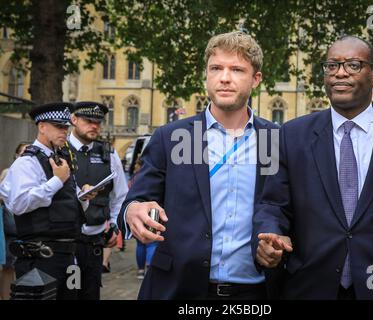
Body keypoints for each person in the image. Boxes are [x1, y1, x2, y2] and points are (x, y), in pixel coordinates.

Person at [253, 35, 373, 300]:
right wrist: (270, 235)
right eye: (332, 66)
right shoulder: (291, 135)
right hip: (309, 288)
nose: (340, 73)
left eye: (353, 65)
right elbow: (273, 205)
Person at [118, 31, 280, 299]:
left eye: (237, 70)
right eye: (216, 68)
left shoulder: (275, 140)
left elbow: (284, 208)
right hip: (178, 289)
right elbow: (135, 200)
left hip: (255, 292)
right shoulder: (169, 138)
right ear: (206, 74)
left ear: (256, 79)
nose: (225, 78)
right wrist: (133, 210)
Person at [0, 102, 97, 300]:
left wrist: (84, 198)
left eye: (66, 127)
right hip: (40, 257)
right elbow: (20, 204)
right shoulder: (26, 163)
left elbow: (67, 203)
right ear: (42, 126)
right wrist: (56, 181)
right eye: (58, 126)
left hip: (68, 255)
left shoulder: (61, 161)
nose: (64, 131)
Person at [68, 101, 128, 300]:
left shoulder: (108, 154)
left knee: (90, 293)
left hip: (94, 243)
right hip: (67, 243)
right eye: (88, 121)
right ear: (74, 120)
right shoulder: (61, 151)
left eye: (98, 122)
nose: (94, 126)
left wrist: (114, 225)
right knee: (70, 293)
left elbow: (120, 196)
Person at [0, 142, 30, 300]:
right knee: (9, 267)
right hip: (11, 228)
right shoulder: (8, 172)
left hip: (30, 230)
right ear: (16, 155)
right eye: (22, 153)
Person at [129, 156, 157, 280]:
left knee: (140, 243)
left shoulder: (134, 177)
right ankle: (150, 270)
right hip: (153, 211)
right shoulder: (152, 175)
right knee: (152, 242)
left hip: (136, 210)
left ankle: (140, 270)